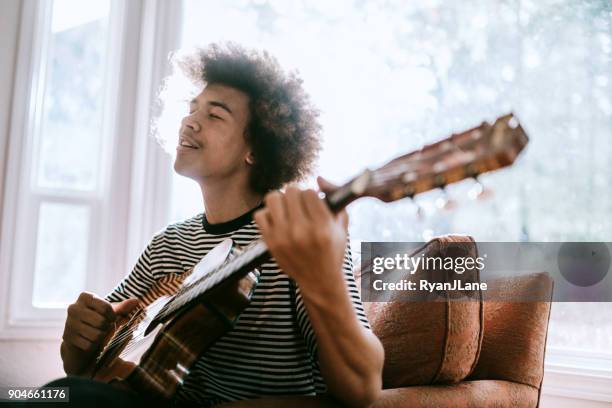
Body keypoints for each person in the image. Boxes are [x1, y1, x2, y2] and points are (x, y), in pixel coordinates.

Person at [56, 43, 384, 408]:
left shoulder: (299, 236)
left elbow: (362, 389)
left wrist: (322, 278)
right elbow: (83, 367)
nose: (189, 121)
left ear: (256, 149)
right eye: (192, 109)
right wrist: (78, 339)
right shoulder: (168, 245)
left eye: (215, 115)